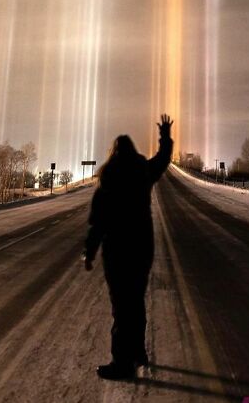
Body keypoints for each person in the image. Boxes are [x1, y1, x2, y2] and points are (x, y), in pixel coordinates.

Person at [83, 114, 174, 380]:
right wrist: (165, 135)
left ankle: (122, 363)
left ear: (113, 153)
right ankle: (138, 353)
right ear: (133, 151)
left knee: (122, 307)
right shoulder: (143, 171)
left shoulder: (108, 179)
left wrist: (89, 252)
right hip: (142, 248)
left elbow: (97, 223)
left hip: (117, 251)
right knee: (135, 301)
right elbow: (163, 159)